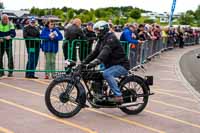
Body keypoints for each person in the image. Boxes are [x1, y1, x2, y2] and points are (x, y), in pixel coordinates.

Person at [82, 21, 129, 104]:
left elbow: (105, 51)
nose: (96, 32)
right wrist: (83, 63)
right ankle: (99, 95)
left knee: (107, 74)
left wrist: (96, 61)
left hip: (121, 65)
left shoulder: (111, 38)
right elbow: (94, 52)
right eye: (95, 30)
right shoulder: (101, 39)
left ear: (103, 29)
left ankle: (118, 96)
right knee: (97, 75)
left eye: (97, 30)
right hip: (111, 65)